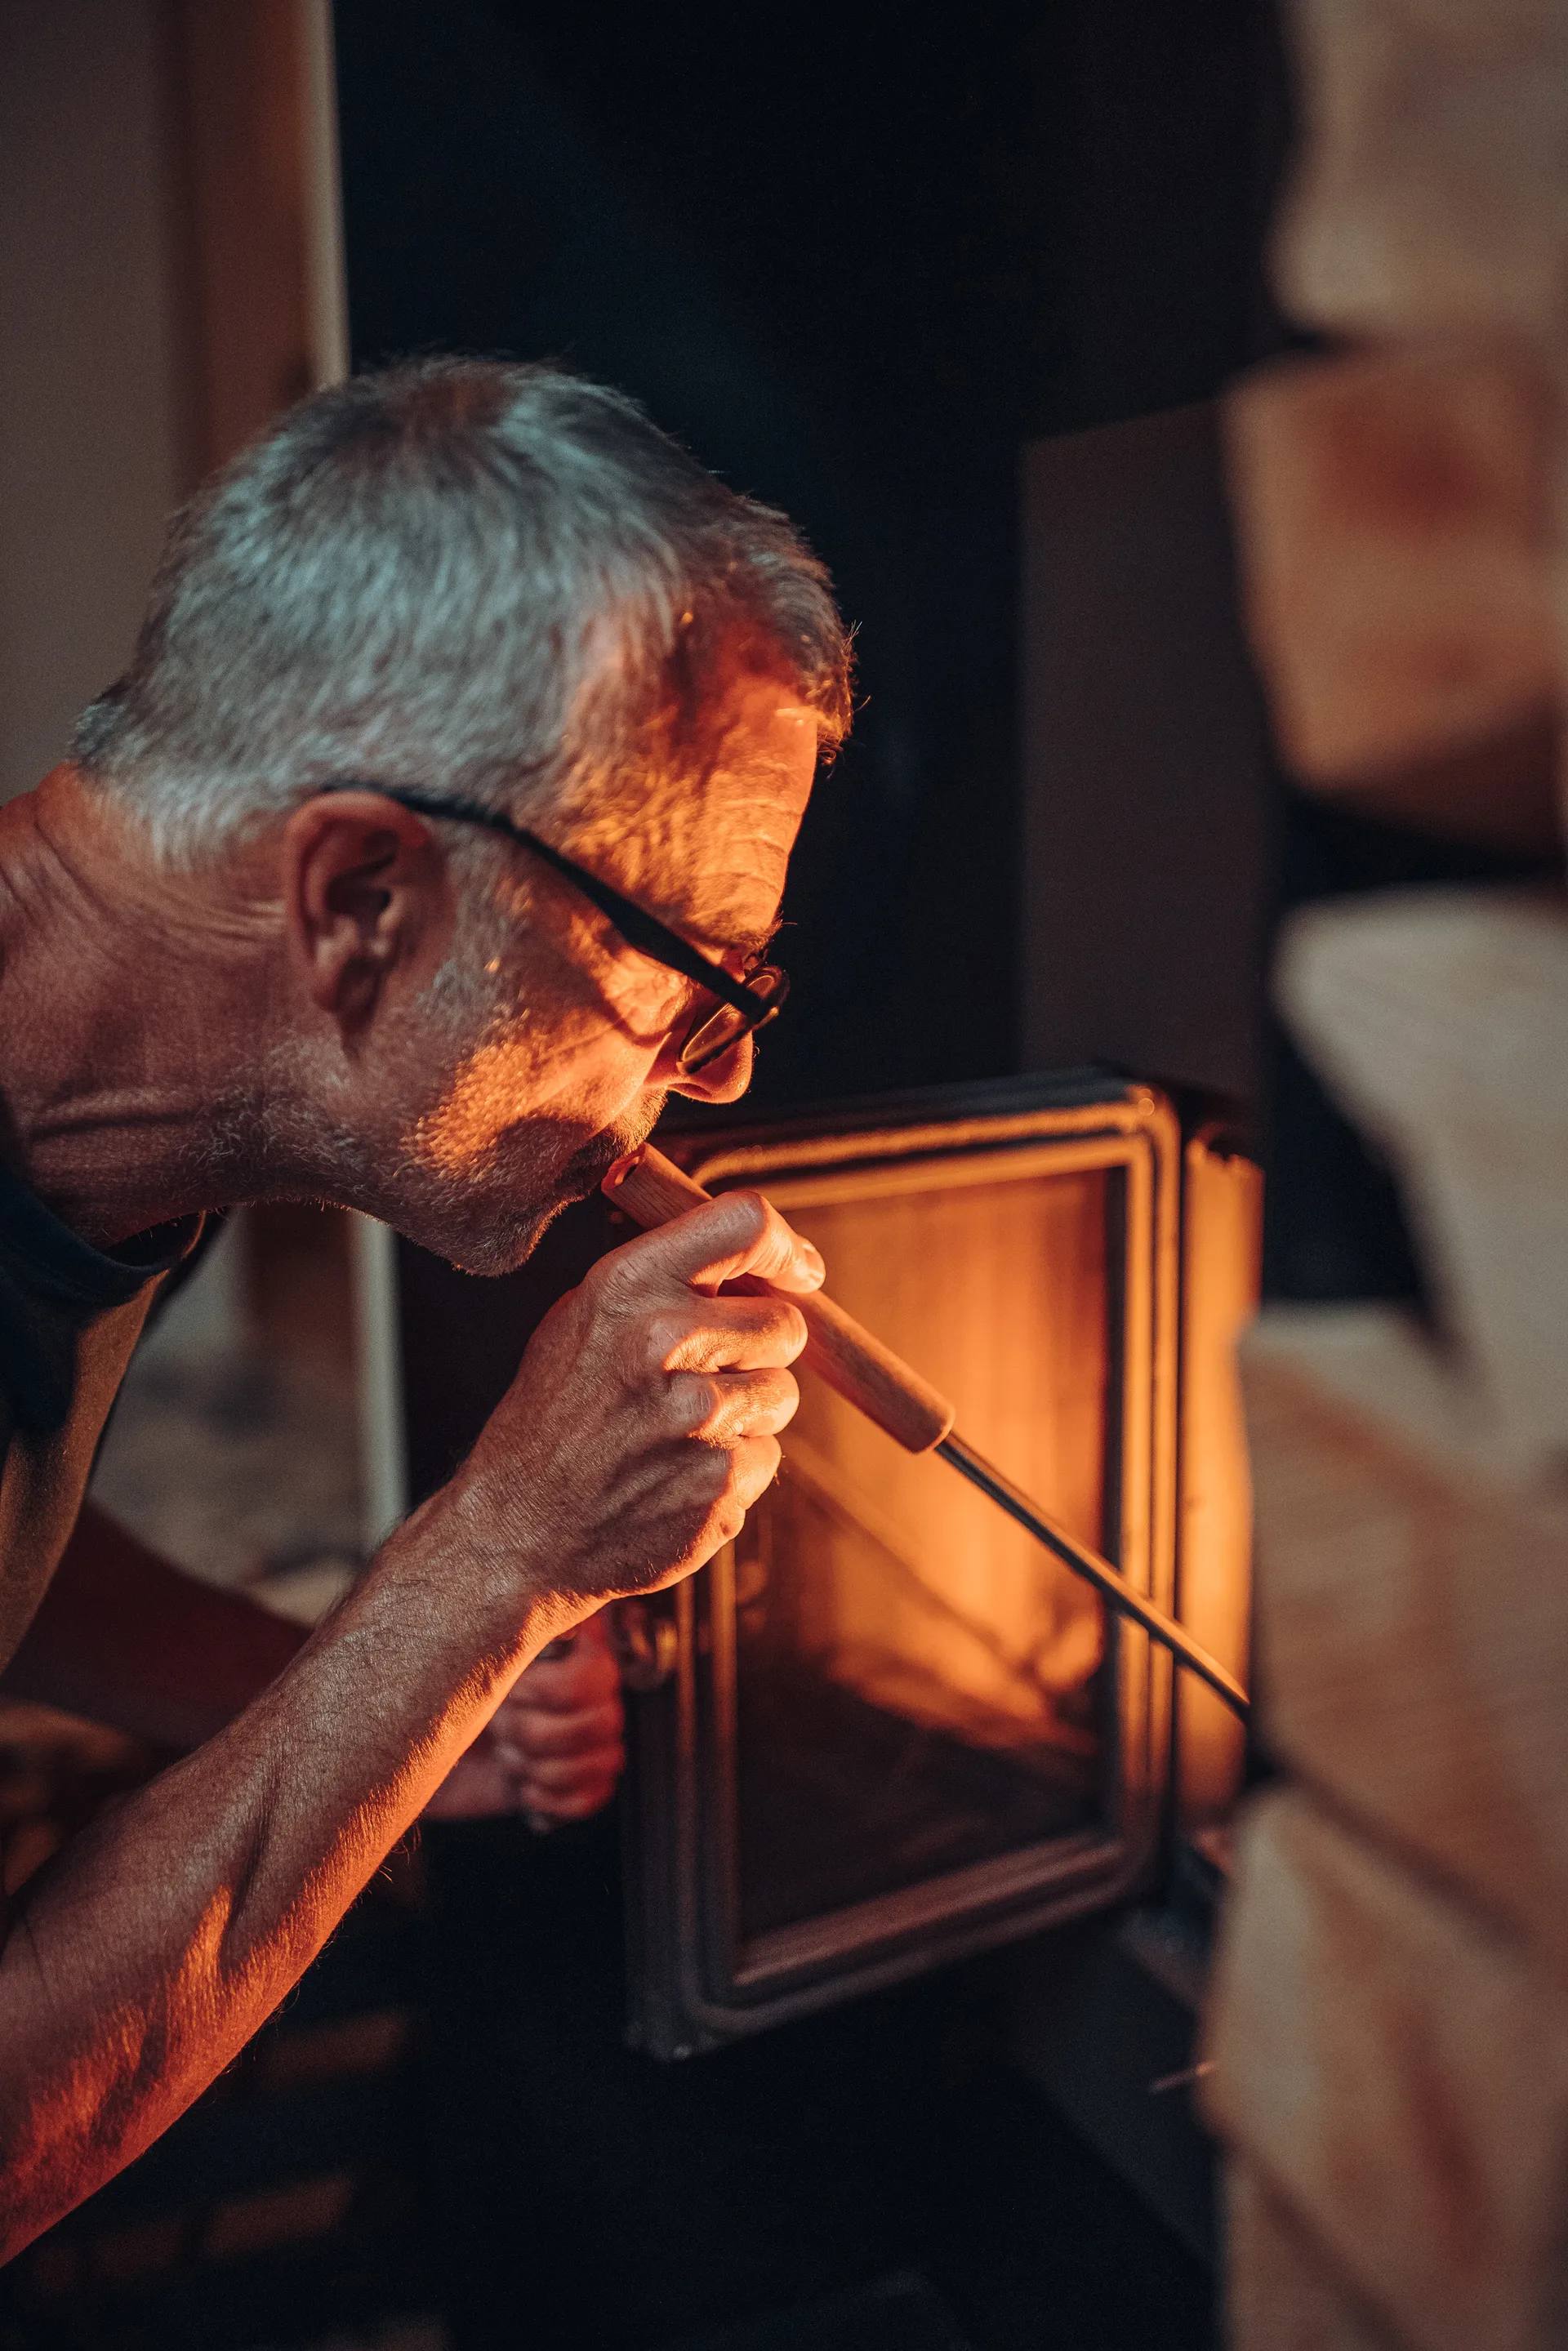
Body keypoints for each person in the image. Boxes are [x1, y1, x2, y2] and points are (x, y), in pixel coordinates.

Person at [0, 358, 850, 2253]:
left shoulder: (105, 1108)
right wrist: (494, 1562)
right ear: (364, 897)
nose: (716, 1073)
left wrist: (357, 1693)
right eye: (693, 977)